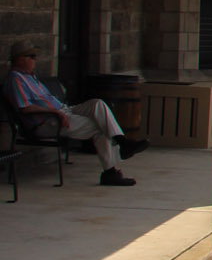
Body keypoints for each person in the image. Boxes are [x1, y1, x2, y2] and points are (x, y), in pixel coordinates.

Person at [4, 39, 146, 186]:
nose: (36, 60)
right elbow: (25, 108)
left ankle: (122, 142)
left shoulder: (30, 77)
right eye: (32, 56)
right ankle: (111, 171)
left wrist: (60, 110)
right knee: (100, 127)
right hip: (46, 121)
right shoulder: (16, 80)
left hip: (61, 111)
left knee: (97, 104)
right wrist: (54, 112)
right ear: (20, 59)